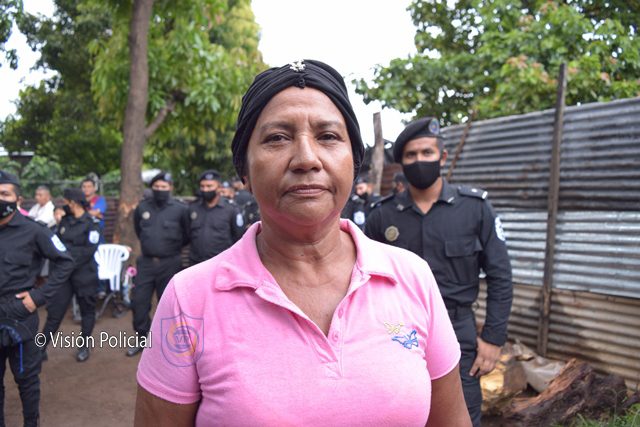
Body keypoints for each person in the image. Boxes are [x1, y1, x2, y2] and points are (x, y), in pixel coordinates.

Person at [134, 60, 471, 426]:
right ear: (244, 169)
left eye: (328, 136)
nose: (307, 159)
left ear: (354, 161)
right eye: (277, 138)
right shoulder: (189, 298)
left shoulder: (412, 277)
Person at [365, 116, 513, 426]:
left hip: (458, 327)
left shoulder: (475, 209)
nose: (420, 160)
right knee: (398, 413)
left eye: (427, 153)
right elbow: (364, 280)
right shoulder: (382, 215)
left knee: (461, 413)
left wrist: (493, 338)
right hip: (397, 329)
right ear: (401, 163)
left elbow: (500, 275)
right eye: (411, 155)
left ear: (442, 157)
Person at [0, 170, 74, 426]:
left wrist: (38, 297)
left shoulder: (34, 231)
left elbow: (65, 262)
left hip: (20, 316)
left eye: (4, 194)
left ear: (18, 200)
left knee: (27, 380)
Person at [127, 171, 189, 357]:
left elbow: (187, 235)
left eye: (164, 187)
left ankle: (165, 344)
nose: (160, 190)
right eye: (157, 187)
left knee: (168, 306)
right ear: (152, 188)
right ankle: (143, 339)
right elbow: (139, 230)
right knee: (139, 303)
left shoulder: (180, 209)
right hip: (146, 263)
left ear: (170, 188)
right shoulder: (142, 208)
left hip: (170, 263)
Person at [41, 188, 101, 362]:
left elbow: (89, 250)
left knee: (87, 311)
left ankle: (84, 347)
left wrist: (66, 261)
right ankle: (41, 348)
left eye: (65, 202)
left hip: (84, 275)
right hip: (64, 277)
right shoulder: (65, 222)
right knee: (55, 312)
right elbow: (57, 245)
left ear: (73, 203)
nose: (63, 205)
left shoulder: (92, 223)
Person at [187, 170, 244, 266]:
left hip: (221, 264)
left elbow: (238, 237)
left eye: (209, 186)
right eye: (202, 186)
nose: (205, 189)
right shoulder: (193, 208)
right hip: (196, 264)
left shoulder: (231, 209)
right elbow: (187, 233)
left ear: (219, 188)